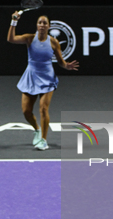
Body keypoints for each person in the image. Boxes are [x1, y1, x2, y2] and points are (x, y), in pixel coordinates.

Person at [7, 13, 79, 150]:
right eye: (40, 22)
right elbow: (11, 39)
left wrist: (66, 66)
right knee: (26, 111)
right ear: (37, 25)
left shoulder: (53, 42)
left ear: (49, 26)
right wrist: (14, 22)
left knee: (43, 109)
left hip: (47, 78)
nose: (42, 25)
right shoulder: (29, 38)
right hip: (31, 77)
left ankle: (44, 140)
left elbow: (61, 62)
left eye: (45, 23)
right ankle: (37, 130)